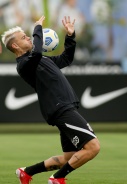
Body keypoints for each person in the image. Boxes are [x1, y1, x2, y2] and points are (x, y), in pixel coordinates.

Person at [1, 15, 100, 184]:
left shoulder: (41, 59)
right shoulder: (24, 64)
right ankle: (57, 178)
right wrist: (37, 29)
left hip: (64, 107)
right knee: (93, 147)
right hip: (61, 109)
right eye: (24, 37)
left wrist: (70, 36)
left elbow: (66, 59)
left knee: (68, 157)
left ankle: (26, 172)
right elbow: (38, 51)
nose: (28, 38)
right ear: (16, 45)